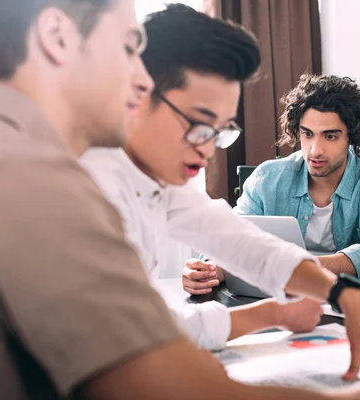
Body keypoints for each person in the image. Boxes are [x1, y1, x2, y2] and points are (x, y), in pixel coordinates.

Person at [0, 1, 360, 399]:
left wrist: (342, 296)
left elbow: (241, 241)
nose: (140, 75)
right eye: (130, 47)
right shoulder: (39, 178)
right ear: (57, 37)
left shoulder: (70, 163)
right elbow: (181, 389)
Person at [81, 4, 323, 350]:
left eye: (220, 130)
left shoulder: (156, 177)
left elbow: (243, 240)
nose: (209, 150)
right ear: (138, 91)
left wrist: (342, 295)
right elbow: (139, 338)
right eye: (199, 124)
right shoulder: (88, 190)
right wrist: (269, 316)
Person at [230, 74, 360, 280]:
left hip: (351, 298)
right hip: (276, 296)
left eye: (330, 136)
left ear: (352, 136)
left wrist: (299, 268)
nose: (315, 151)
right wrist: (209, 269)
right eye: (307, 134)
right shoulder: (266, 178)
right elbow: (233, 240)